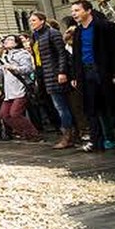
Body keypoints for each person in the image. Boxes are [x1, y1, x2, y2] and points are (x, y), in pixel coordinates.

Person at [69, 0, 115, 153]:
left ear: (88, 10)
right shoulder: (77, 32)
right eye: (73, 11)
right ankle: (97, 141)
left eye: (77, 10)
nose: (74, 14)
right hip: (86, 72)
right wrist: (76, 75)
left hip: (104, 71)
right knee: (92, 109)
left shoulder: (105, 26)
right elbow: (76, 55)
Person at [29, 11, 77, 149]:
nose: (31, 23)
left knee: (61, 106)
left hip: (54, 74)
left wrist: (62, 71)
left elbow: (61, 53)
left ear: (42, 21)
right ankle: (66, 132)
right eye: (31, 20)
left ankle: (69, 135)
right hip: (44, 74)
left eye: (33, 20)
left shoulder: (52, 33)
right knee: (55, 106)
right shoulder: (36, 36)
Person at [0, 35, 41, 142]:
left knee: (15, 113)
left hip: (20, 87)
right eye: (6, 40)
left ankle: (33, 134)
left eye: (10, 40)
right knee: (4, 114)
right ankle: (24, 132)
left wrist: (14, 67)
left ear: (16, 43)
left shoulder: (22, 54)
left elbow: (28, 69)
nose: (6, 41)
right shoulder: (5, 56)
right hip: (9, 89)